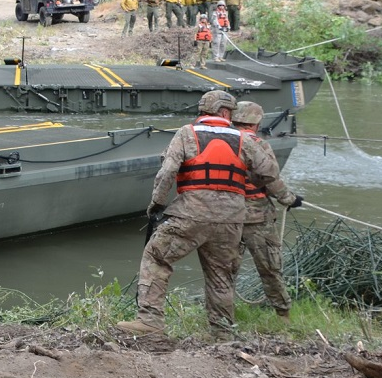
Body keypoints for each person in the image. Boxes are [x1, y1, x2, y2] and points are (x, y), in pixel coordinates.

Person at [116, 90, 288, 337]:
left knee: (156, 257)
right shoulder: (245, 140)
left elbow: (167, 172)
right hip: (232, 220)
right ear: (227, 112)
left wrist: (157, 204)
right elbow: (270, 173)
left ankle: (150, 322)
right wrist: (268, 191)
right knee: (221, 275)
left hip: (191, 214)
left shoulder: (187, 133)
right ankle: (222, 332)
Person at [232, 100, 303, 322]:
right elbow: (270, 179)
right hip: (256, 217)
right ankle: (283, 315)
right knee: (270, 268)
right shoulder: (259, 144)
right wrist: (289, 200)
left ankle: (222, 317)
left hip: (225, 215)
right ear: (256, 122)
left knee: (224, 270)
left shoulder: (221, 140)